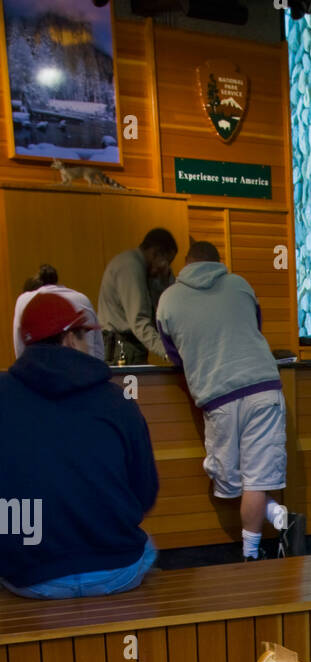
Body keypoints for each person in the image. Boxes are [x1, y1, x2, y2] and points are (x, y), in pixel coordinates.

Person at [0, 292, 158, 598]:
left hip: (31, 576)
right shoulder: (117, 401)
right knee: (148, 546)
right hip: (116, 569)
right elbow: (145, 493)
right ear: (70, 339)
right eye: (84, 335)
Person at [156, 241, 290, 561]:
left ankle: (261, 535)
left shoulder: (167, 301)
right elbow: (253, 328)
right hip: (264, 388)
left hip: (218, 395)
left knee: (228, 482)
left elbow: (175, 355)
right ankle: (254, 549)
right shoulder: (240, 284)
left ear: (185, 264)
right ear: (219, 262)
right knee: (256, 480)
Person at [98, 228, 178, 364]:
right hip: (123, 348)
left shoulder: (141, 267)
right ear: (155, 253)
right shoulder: (130, 267)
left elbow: (164, 306)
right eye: (167, 261)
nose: (166, 268)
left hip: (128, 347)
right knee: (131, 386)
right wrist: (168, 352)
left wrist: (165, 279)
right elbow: (139, 321)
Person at [13, 264, 103, 359]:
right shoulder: (82, 299)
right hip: (86, 368)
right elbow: (98, 349)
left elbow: (20, 350)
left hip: (37, 369)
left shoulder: (24, 301)